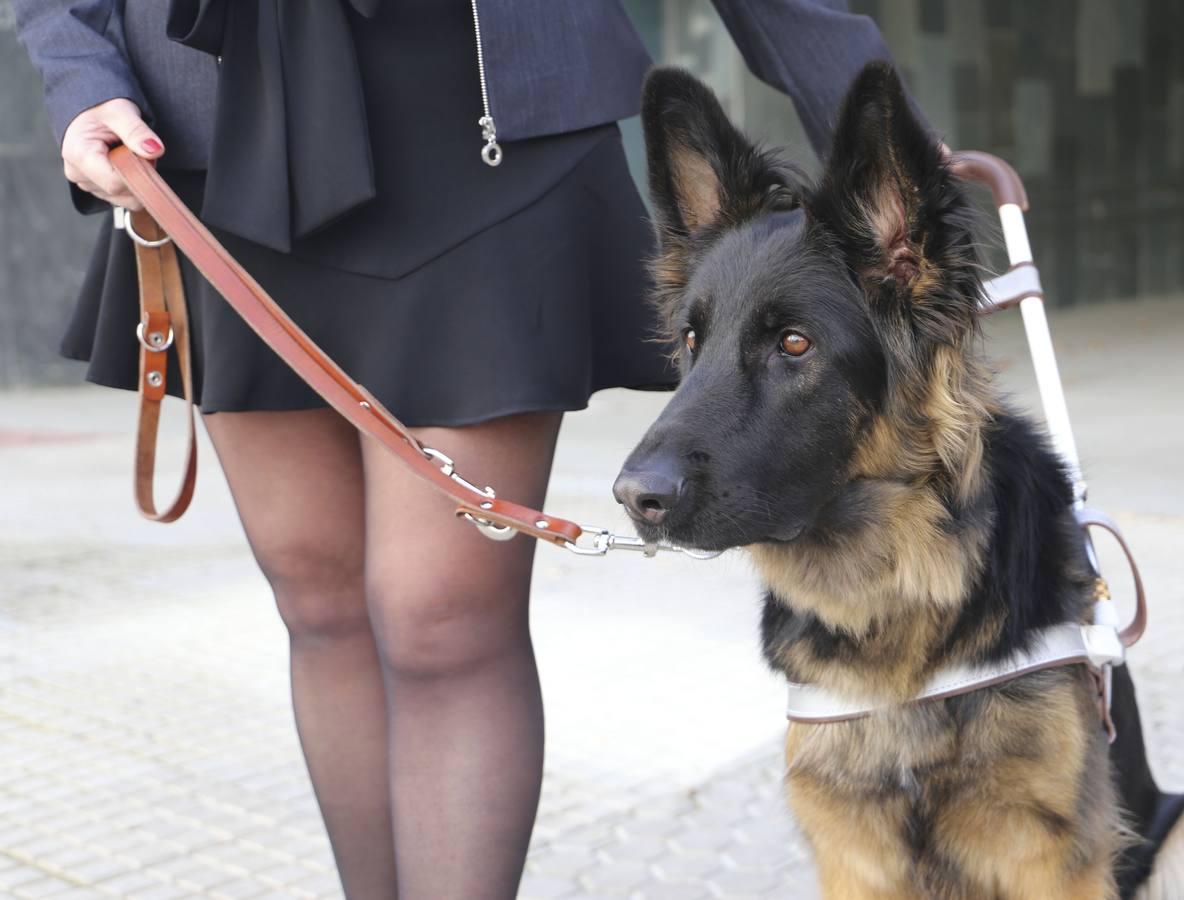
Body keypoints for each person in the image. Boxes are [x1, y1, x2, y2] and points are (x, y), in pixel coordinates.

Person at [15, 1, 901, 897]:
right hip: (220, 137)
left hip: (489, 129)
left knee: (440, 615)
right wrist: (85, 80)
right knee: (319, 601)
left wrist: (882, 133)